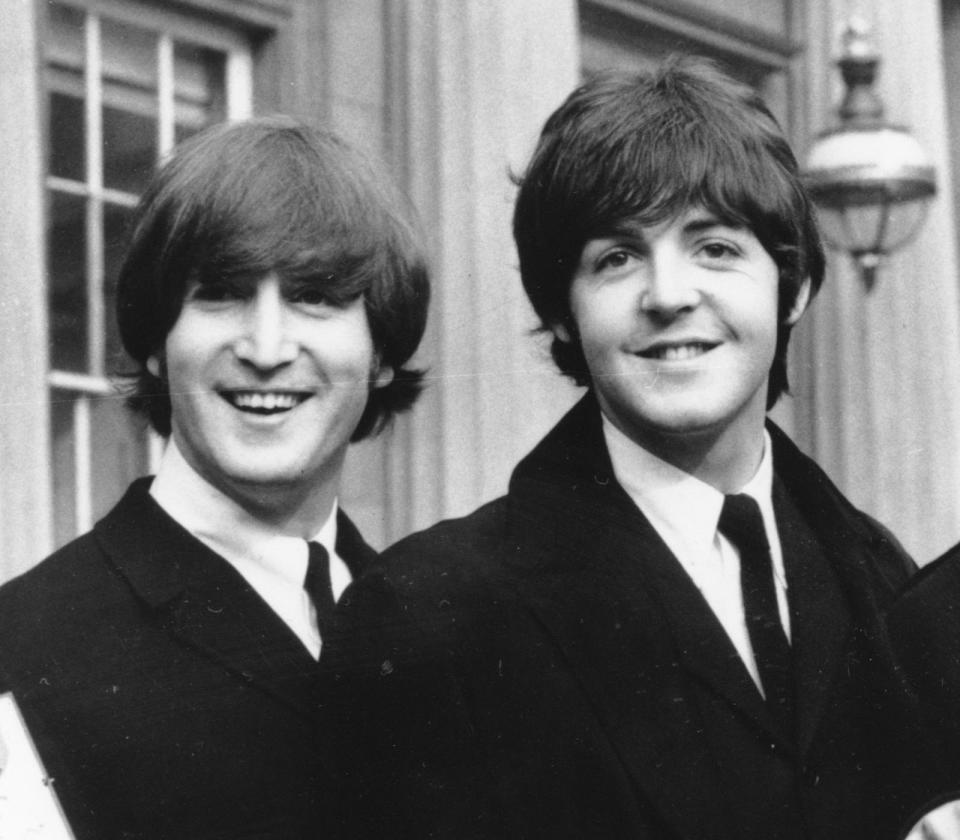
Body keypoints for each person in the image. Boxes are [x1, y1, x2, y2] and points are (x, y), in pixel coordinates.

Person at [340, 57, 923, 839]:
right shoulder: (430, 612)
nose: (668, 294)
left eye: (714, 247)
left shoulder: (882, 578)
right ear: (561, 313)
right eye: (616, 258)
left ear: (794, 286)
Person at [0, 115, 429, 839]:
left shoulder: (442, 629)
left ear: (382, 351)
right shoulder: (22, 645)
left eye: (315, 295)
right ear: (157, 347)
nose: (266, 347)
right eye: (221, 292)